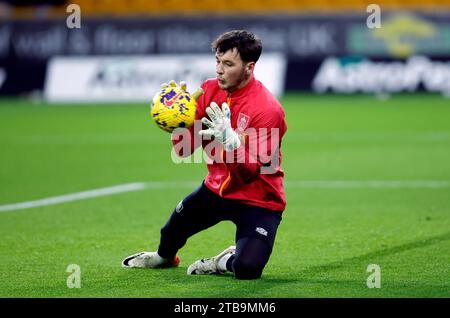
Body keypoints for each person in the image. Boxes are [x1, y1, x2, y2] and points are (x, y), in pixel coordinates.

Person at [122, 30, 287, 280]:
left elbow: (249, 174)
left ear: (249, 67)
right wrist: (179, 121)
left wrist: (231, 143)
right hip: (215, 189)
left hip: (259, 199)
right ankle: (163, 258)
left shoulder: (269, 110)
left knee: (247, 269)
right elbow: (184, 150)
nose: (219, 70)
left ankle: (223, 261)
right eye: (218, 62)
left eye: (228, 64)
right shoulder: (209, 91)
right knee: (170, 233)